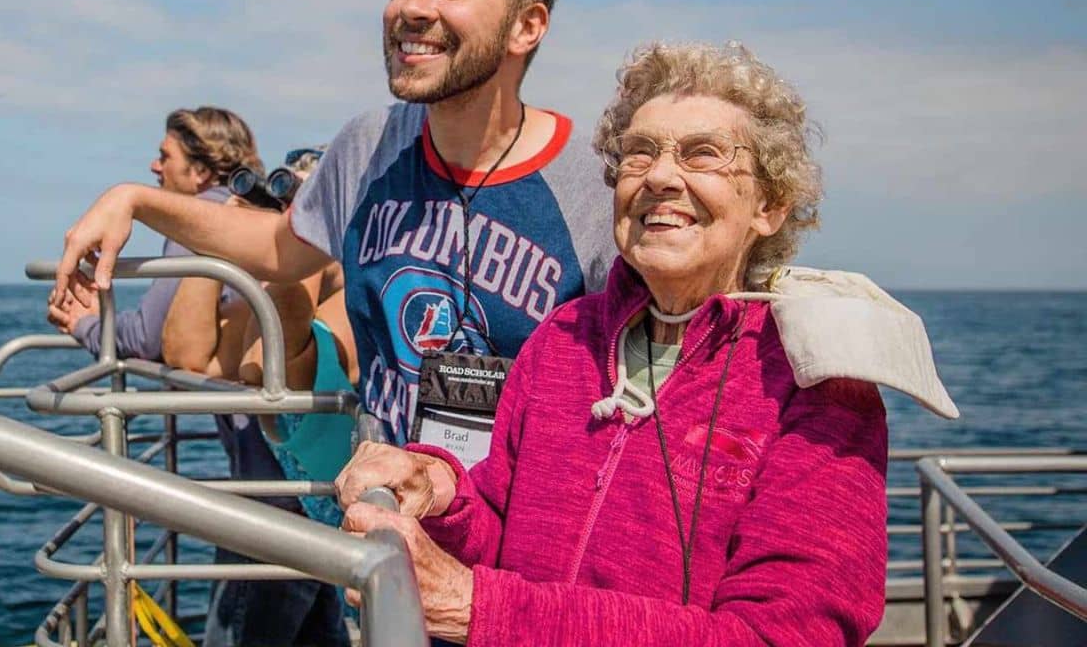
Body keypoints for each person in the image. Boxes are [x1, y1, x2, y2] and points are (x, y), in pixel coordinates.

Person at [334, 42, 958, 646]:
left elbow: (781, 636)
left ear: (769, 203)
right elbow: (501, 524)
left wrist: (479, 610)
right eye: (638, 154)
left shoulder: (818, 387)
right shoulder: (564, 340)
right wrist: (439, 489)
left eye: (702, 154)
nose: (659, 176)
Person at [52, 0, 617, 445]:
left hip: (522, 527)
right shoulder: (368, 144)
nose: (413, 8)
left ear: (527, 26)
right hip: (383, 521)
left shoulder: (595, 186)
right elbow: (279, 247)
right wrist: (135, 199)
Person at [162, 147, 357, 647]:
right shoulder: (278, 306)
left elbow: (266, 367)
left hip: (302, 525)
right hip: (284, 520)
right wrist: (227, 236)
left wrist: (294, 250)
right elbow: (187, 354)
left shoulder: (358, 303)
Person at [47, 106, 258, 359]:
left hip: (211, 394)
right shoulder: (256, 214)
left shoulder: (197, 223)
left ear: (201, 171)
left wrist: (86, 324)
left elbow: (147, 338)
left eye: (164, 157)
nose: (154, 166)